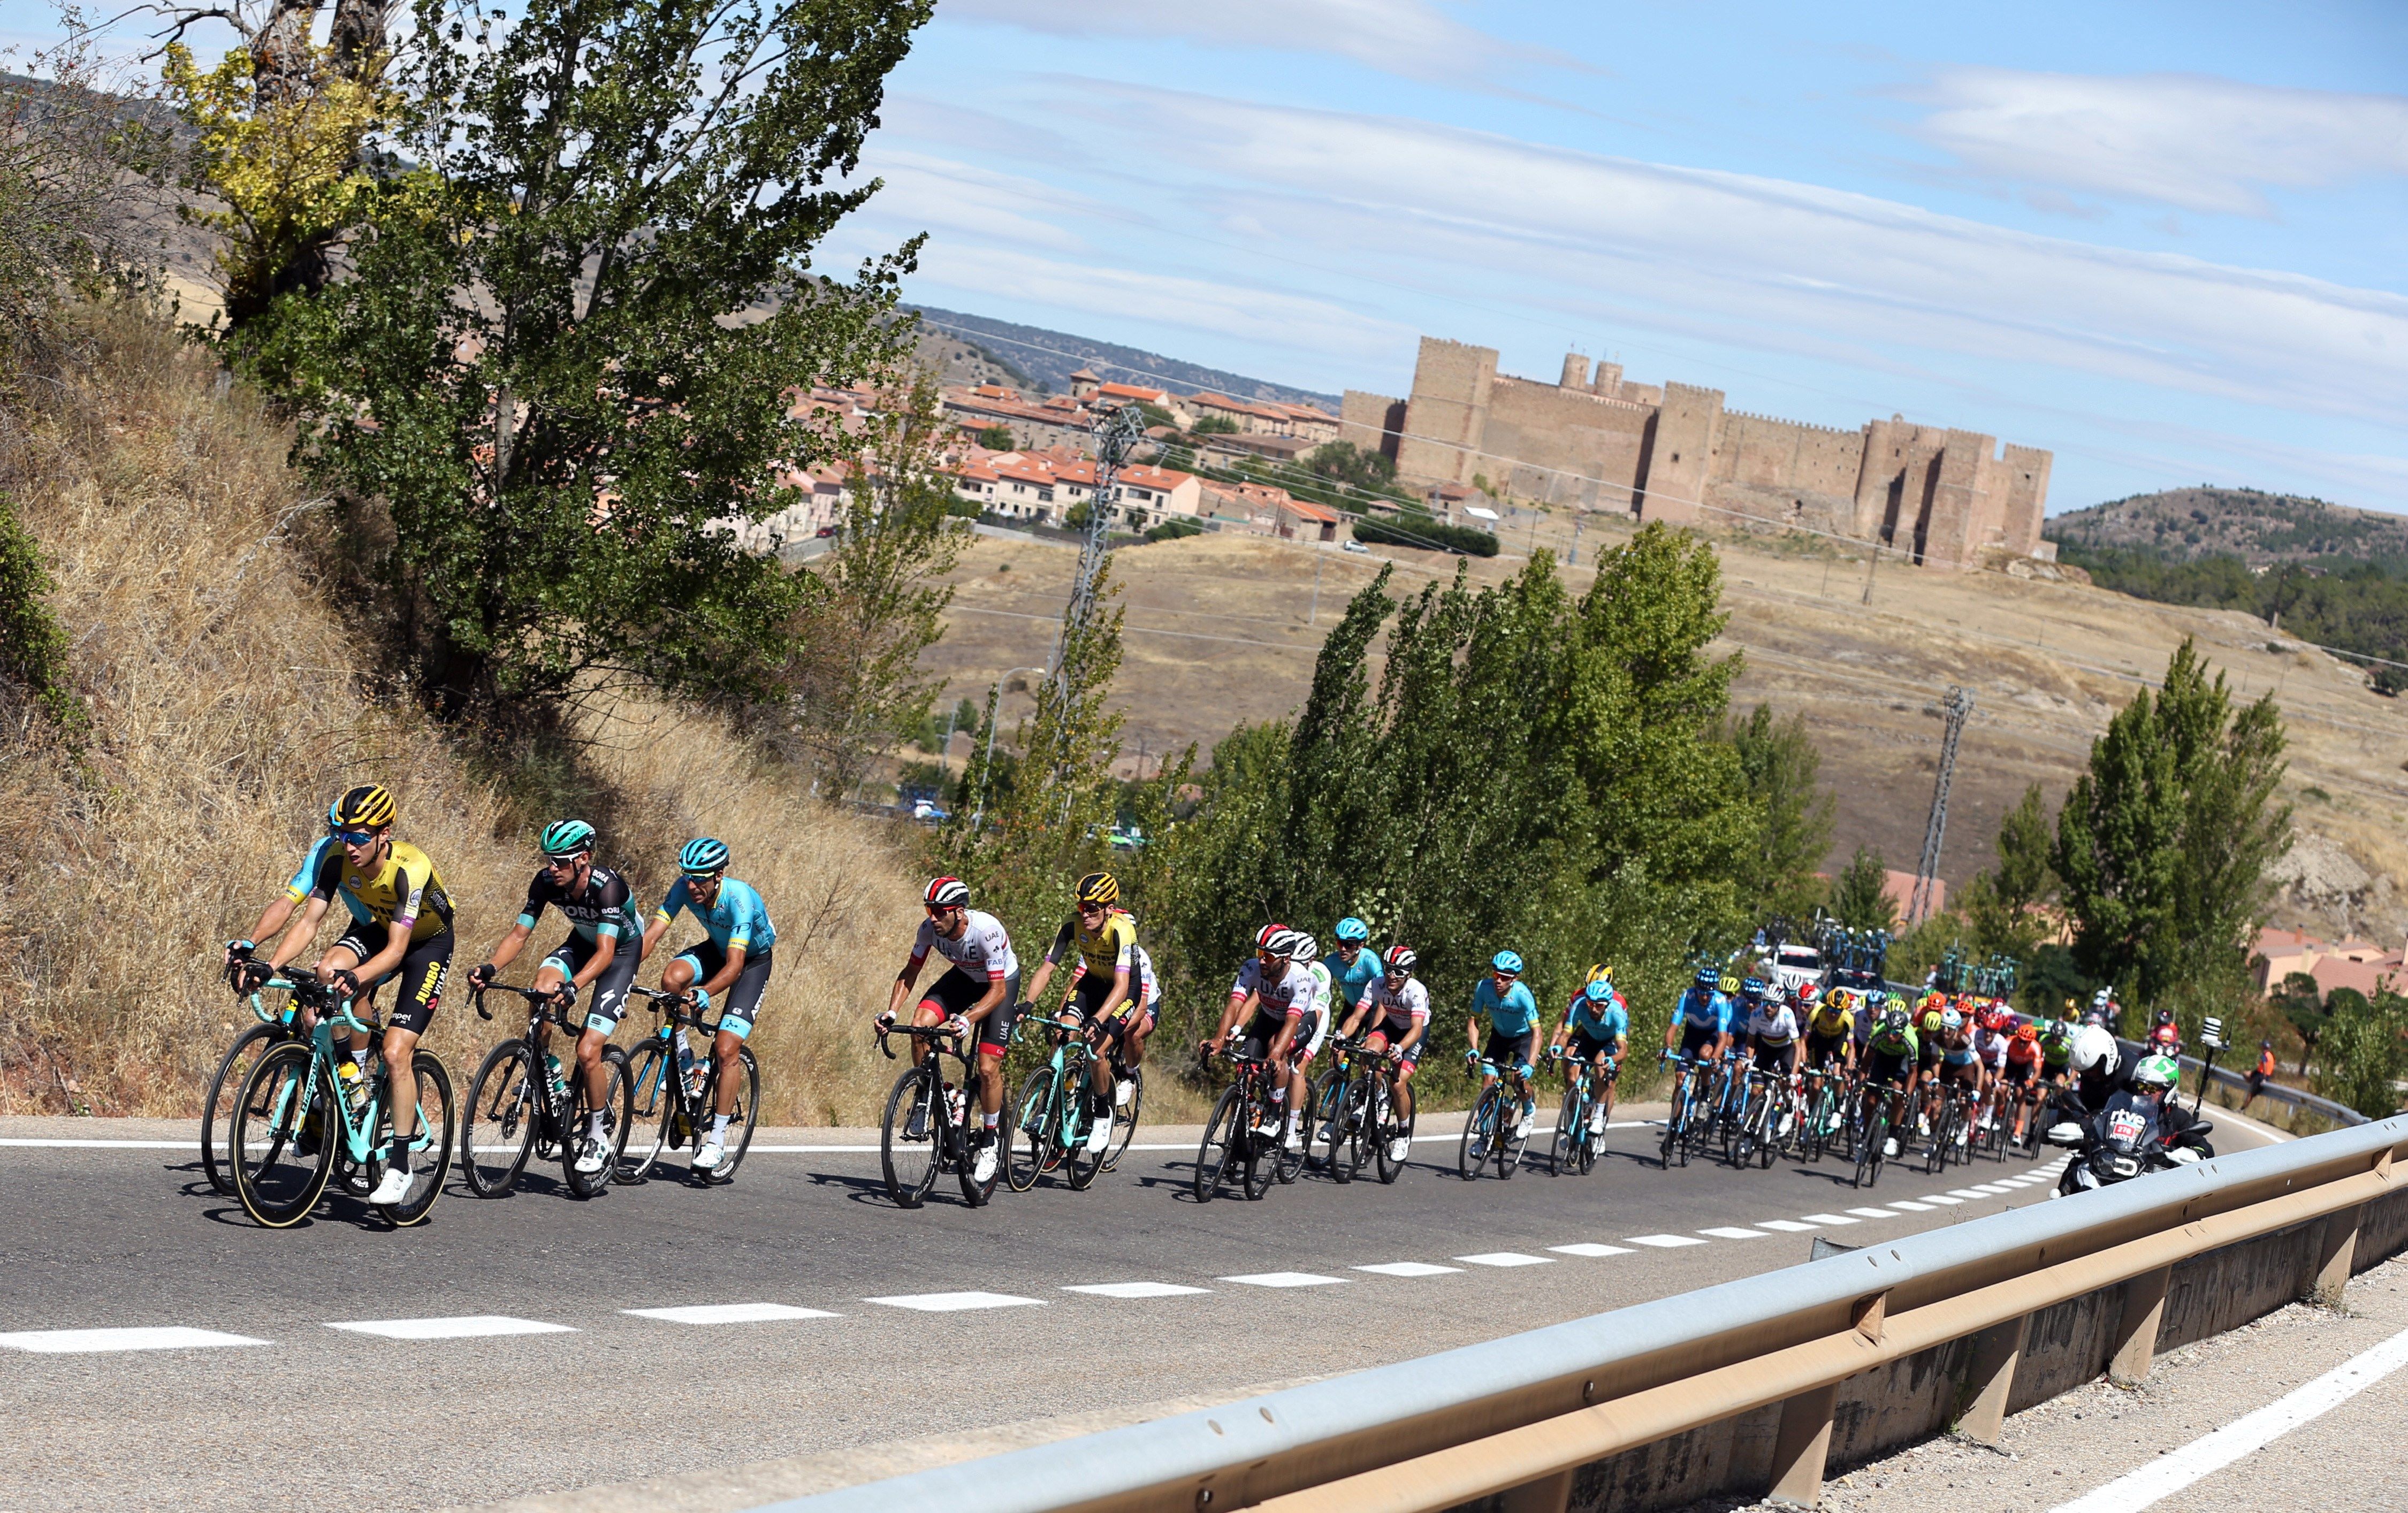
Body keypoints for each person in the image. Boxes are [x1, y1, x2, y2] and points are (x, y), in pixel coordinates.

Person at [256, 784, 454, 1206]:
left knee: (398, 1053)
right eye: (343, 834)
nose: (349, 845)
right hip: (377, 928)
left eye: (360, 836)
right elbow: (309, 921)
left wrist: (357, 977)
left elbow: (399, 951)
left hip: (426, 944)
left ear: (385, 834)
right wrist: (269, 965)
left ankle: (399, 1164)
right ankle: (354, 1081)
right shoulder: (335, 857)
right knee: (328, 971)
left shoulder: (409, 867)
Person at [466, 820, 645, 1178]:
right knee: (542, 987)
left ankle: (597, 1134)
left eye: (561, 861)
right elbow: (519, 934)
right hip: (582, 943)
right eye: (550, 859)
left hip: (620, 952)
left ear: (584, 859)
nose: (553, 867)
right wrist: (490, 968)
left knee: (588, 1050)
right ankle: (548, 1069)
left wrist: (575, 986)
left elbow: (607, 952)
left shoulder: (608, 887)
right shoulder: (546, 881)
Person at [641, 838, 774, 1174]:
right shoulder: (684, 887)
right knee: (672, 979)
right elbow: (653, 935)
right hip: (717, 949)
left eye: (701, 878)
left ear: (719, 875)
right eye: (688, 876)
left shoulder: (739, 900)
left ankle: (716, 1140)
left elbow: (735, 966)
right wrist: (623, 970)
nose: (692, 885)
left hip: (750, 962)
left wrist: (705, 993)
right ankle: (685, 1061)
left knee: (726, 1048)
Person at [882, 876, 1020, 1184]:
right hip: (964, 978)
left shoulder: (986, 932)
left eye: (939, 911)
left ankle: (989, 1139)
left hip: (1000, 985)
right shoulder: (929, 929)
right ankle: (930, 1096)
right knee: (920, 1025)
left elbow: (997, 992)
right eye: (929, 909)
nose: (932, 917)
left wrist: (968, 1020)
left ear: (958, 911)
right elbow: (911, 971)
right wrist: (892, 1012)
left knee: (986, 1068)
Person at [1025, 872, 1141, 1155]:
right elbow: (1048, 968)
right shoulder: (1071, 925)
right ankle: (1050, 1104)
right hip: (1091, 983)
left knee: (1096, 1050)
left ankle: (1103, 1112)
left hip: (1122, 991)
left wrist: (1099, 1019)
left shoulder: (1122, 930)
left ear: (1109, 909)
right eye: (1081, 907)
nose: (1085, 914)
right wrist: (1026, 1004)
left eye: (1092, 908)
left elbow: (1123, 985)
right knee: (1064, 1032)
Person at [1201, 925, 1327, 1152]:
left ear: (1286, 958)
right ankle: (1243, 1125)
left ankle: (1275, 1114)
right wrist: (1220, 1039)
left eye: (1268, 956)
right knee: (1243, 1070)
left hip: (1299, 1021)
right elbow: (1235, 1004)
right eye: (1260, 953)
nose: (1261, 960)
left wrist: (1277, 1055)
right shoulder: (1251, 968)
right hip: (1268, 1017)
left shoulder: (1301, 978)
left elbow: (1291, 1022)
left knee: (1276, 1052)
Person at [1339, 945, 1429, 1162]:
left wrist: (1400, 1048)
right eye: (1389, 969)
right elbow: (1357, 1017)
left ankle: (1403, 1133)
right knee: (1368, 1050)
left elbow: (1417, 1028)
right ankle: (1378, 1094)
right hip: (1391, 1025)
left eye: (1398, 971)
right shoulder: (1377, 984)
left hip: (1414, 1032)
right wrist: (1341, 1037)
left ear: (1409, 974)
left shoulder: (1416, 991)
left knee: (1399, 1084)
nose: (1392, 975)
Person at [1465, 950, 1542, 1144]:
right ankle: (1484, 1139)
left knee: (1518, 1078)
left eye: (1504, 977)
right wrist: (1474, 1047)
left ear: (1515, 978)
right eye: (1495, 975)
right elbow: (1474, 1019)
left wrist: (1531, 1065)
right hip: (1498, 1037)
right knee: (1487, 1083)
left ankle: (1529, 1110)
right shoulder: (1483, 988)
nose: (1498, 980)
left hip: (1522, 1039)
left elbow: (1537, 1033)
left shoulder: (1523, 995)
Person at [1550, 972, 1628, 1137]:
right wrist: (1557, 1048)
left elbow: (1623, 1050)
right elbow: (1565, 1035)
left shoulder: (1617, 1013)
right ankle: (1571, 1123)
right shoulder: (1579, 1005)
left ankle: (1599, 1115)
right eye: (1590, 1003)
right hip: (1589, 1038)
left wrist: (1612, 1060)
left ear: (1607, 1005)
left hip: (1609, 1041)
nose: (1593, 1008)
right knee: (1572, 1074)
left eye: (1598, 1006)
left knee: (1600, 1065)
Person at [1861, 1006, 1921, 1159]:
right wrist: (1861, 1082)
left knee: (1897, 1094)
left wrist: (1907, 1093)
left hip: (1901, 1062)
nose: (1890, 1035)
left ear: (1902, 1033)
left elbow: (1913, 1072)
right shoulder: (1879, 1034)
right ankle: (1866, 1136)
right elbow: (1867, 1060)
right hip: (1882, 1058)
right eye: (1888, 1030)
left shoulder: (1911, 1040)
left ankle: (1893, 1137)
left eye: (1895, 1033)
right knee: (1871, 1100)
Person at [1665, 966, 1736, 1063]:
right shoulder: (1688, 996)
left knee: (1705, 1054)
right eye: (1701, 993)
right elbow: (1673, 1027)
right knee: (1681, 1074)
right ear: (1696, 988)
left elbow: (1723, 1037)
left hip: (1712, 1033)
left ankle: (1705, 1078)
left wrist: (1715, 1058)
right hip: (1692, 1032)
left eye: (1710, 994)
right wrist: (1668, 1047)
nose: (1705, 997)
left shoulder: (1720, 1001)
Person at [2001, 1021, 2046, 1141]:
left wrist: (2031, 1081)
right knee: (2002, 1088)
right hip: (2009, 1064)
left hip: (2025, 1067)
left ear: (2031, 1042)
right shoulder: (2009, 1042)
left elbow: (2037, 1071)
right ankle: (1999, 1115)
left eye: (2025, 1042)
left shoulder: (2036, 1048)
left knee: (2021, 1094)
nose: (2022, 1044)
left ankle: (2018, 1131)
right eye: (2020, 1040)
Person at [2245, 1040, 2276, 1110]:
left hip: (2261, 1076)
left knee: (2250, 1093)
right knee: (2246, 1074)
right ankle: (2243, 1108)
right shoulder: (2271, 1055)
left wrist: (2264, 1079)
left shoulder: (2264, 1056)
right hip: (2266, 1075)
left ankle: (2242, 1108)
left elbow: (2265, 1066)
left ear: (2263, 1047)